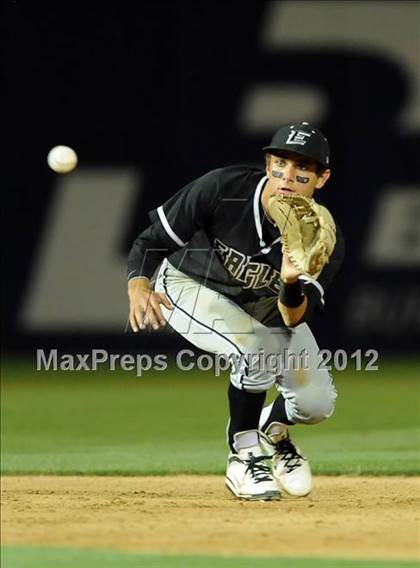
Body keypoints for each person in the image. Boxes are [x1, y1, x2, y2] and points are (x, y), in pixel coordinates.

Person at [127, 122, 345, 501]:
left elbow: (293, 318)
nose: (288, 177)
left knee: (316, 404)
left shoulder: (321, 240)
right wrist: (138, 283)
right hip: (188, 286)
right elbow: (153, 240)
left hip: (262, 307)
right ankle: (243, 456)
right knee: (256, 349)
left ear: (322, 178)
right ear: (267, 165)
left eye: (302, 169)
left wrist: (291, 281)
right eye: (281, 163)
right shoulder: (223, 189)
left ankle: (271, 428)